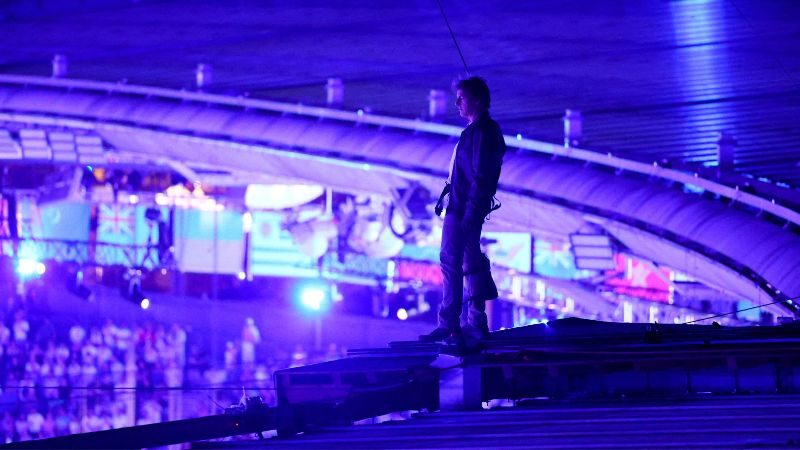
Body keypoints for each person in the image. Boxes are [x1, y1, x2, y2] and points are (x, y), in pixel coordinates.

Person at [420, 76, 505, 345]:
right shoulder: (479, 131)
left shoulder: (481, 133)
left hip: (463, 210)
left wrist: (468, 213)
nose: (457, 103)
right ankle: (475, 322)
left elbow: (481, 177)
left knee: (451, 262)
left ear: (478, 100)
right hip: (465, 208)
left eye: (462, 98)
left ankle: (449, 323)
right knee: (471, 262)